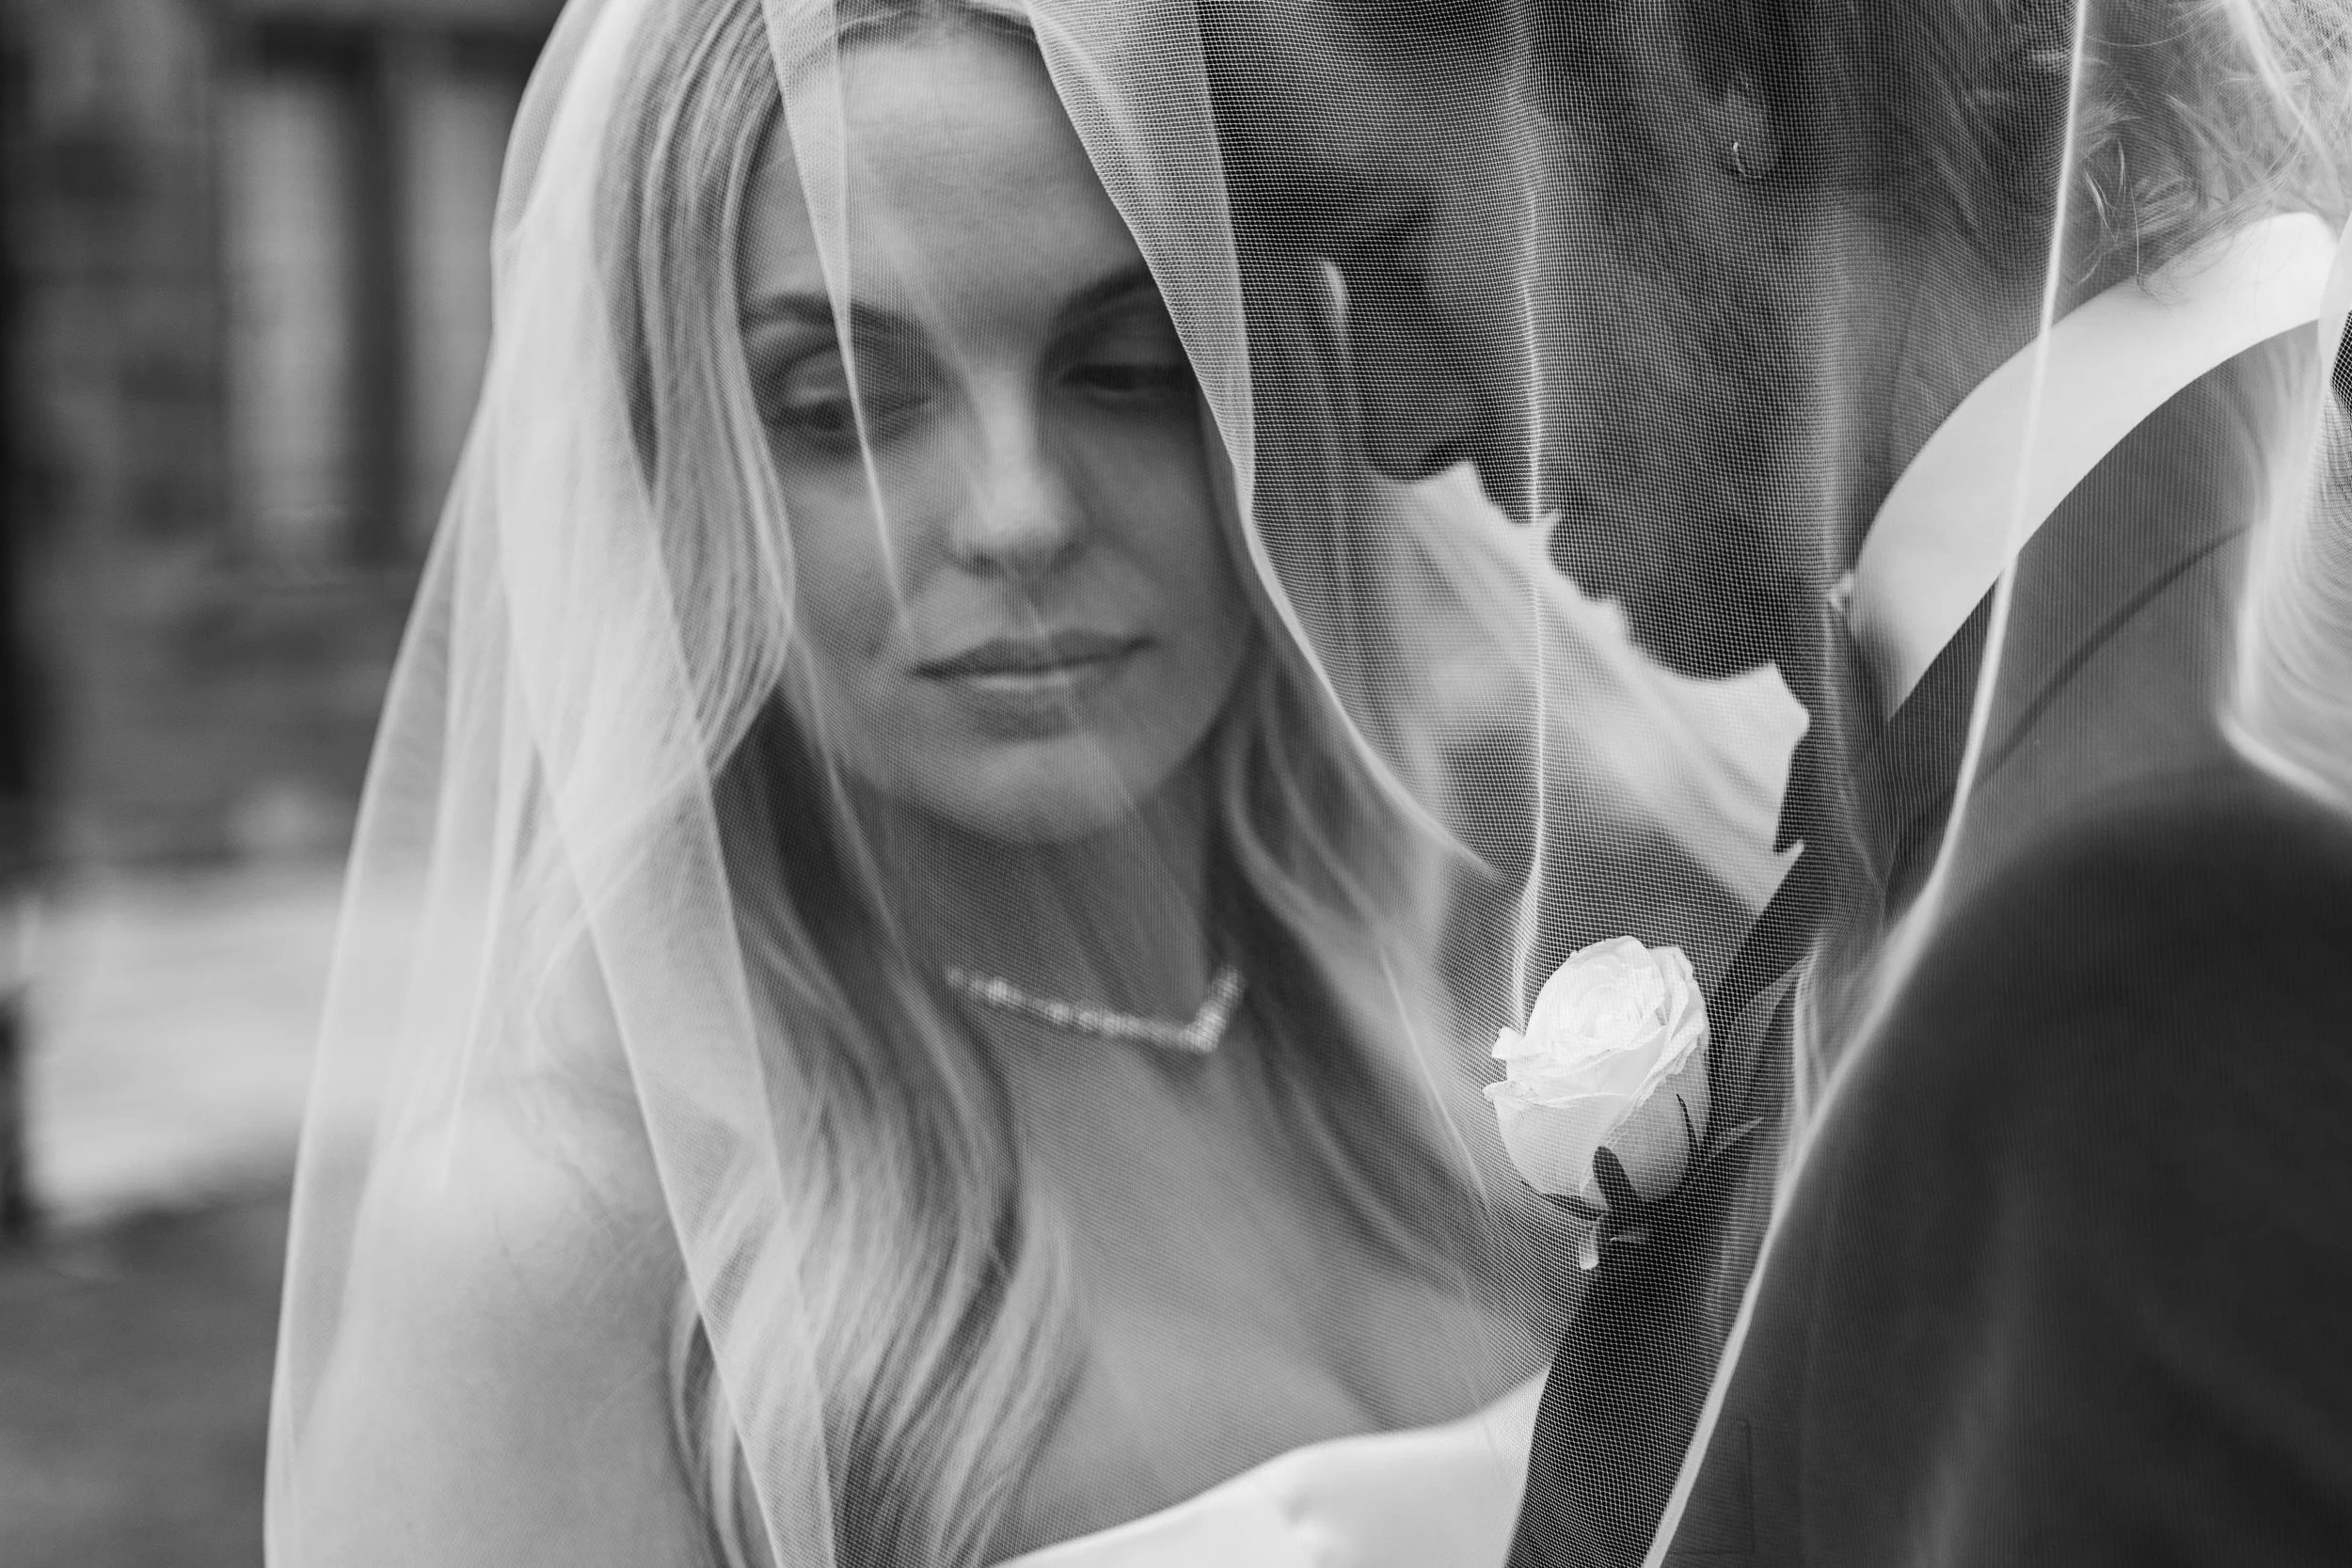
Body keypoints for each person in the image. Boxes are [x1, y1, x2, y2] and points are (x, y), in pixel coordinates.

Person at [263, 2, 1806, 1564]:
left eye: (1123, 370)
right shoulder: (563, 1243)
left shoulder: (1450, 1094)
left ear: (1258, 402)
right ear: (674, 483)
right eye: (847, 410)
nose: (1017, 511)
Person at [1165, 1, 2352, 1563]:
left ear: (1700, 78)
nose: (1395, 419)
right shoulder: (2176, 639)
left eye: (1394, 239)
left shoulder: (2142, 907)